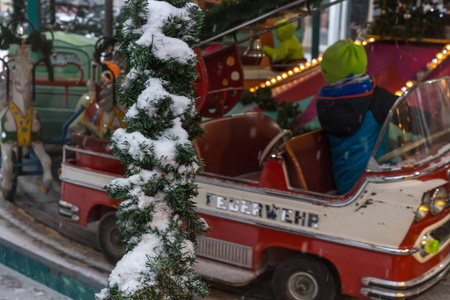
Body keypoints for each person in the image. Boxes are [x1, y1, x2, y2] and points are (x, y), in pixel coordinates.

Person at [316, 39, 398, 194]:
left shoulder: (326, 102)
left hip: (347, 184)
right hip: (376, 182)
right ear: (362, 68)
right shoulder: (377, 99)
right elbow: (412, 117)